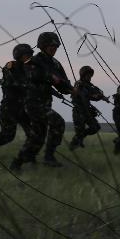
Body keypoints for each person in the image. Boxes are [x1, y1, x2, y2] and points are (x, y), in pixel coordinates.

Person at [13, 32, 73, 170]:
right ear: (43, 46)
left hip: (45, 102)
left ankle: (17, 162)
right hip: (33, 103)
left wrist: (71, 90)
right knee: (58, 122)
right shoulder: (33, 61)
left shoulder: (55, 63)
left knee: (37, 138)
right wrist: (51, 77)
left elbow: (62, 83)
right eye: (51, 46)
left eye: (55, 46)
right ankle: (49, 157)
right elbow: (33, 75)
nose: (54, 48)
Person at [68, 65, 110, 150]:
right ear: (83, 75)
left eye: (90, 75)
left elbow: (96, 94)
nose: (89, 77)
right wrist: (92, 96)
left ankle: (80, 138)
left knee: (95, 127)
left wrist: (102, 97)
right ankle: (74, 145)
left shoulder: (90, 86)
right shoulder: (79, 84)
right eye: (88, 75)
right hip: (79, 111)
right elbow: (78, 95)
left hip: (87, 111)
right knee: (80, 130)